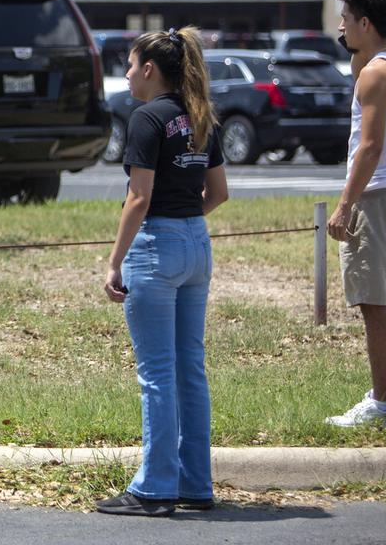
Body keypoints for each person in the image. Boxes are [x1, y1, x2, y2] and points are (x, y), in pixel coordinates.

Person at [98, 27, 228, 517]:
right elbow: (217, 193)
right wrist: (185, 224)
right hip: (196, 242)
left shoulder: (147, 117)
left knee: (156, 374)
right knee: (189, 369)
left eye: (130, 65)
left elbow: (139, 197)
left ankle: (153, 488)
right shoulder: (201, 116)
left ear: (150, 69)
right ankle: (196, 484)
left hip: (156, 246)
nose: (128, 74)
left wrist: (114, 262)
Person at [325, 0, 386, 429]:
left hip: (375, 195)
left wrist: (345, 204)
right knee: (375, 303)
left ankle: (382, 405)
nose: (339, 27)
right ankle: (381, 397)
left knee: (373, 305)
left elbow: (369, 147)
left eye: (345, 18)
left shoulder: (376, 75)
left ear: (365, 21)